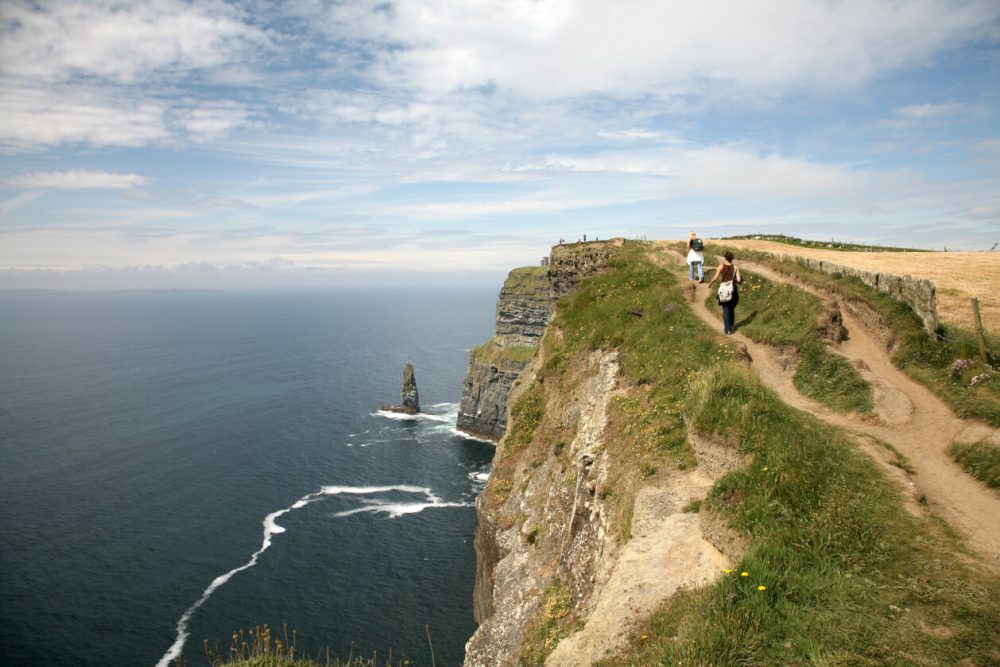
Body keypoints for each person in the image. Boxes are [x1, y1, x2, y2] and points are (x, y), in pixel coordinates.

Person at [706, 251, 743, 334]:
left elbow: (715, 278)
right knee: (731, 309)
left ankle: (728, 329)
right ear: (732, 259)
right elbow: (739, 280)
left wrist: (710, 284)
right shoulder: (735, 267)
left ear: (725, 258)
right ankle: (731, 326)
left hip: (724, 291)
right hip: (733, 290)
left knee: (726, 309)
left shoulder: (721, 266)